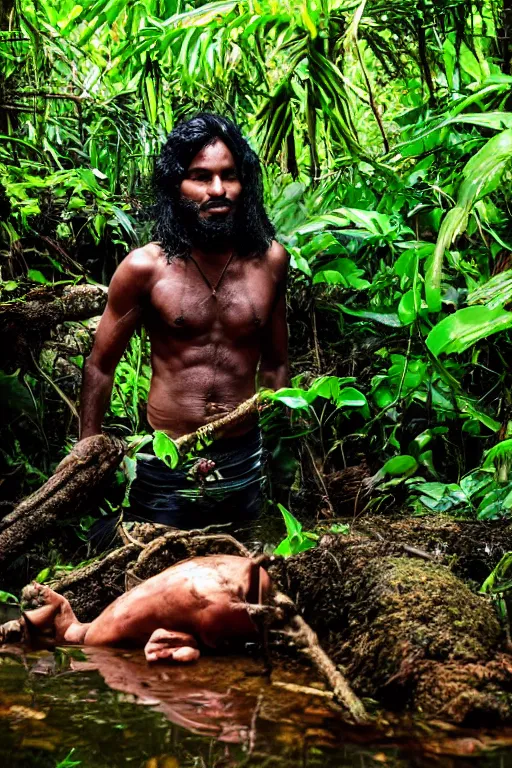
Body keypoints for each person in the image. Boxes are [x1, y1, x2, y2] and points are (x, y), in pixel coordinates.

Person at [79, 113, 289, 534]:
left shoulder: (271, 262)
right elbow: (101, 365)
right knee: (157, 571)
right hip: (166, 458)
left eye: (229, 176)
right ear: (177, 186)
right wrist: (87, 453)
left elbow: (276, 365)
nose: (217, 190)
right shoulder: (145, 269)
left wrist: (284, 457)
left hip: (244, 457)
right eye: (200, 176)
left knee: (241, 578)